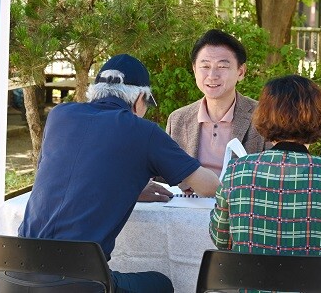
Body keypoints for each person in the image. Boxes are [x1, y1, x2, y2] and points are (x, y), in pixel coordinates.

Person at [17, 54, 220, 293]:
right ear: (139, 99)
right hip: (76, 282)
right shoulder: (143, 131)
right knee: (161, 284)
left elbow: (67, 174)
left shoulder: (59, 115)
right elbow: (210, 186)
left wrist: (128, 187)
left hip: (13, 274)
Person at [210, 74, 321, 261]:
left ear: (263, 115)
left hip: (251, 286)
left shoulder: (237, 170)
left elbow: (221, 239)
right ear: (320, 115)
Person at [166, 29, 269, 180]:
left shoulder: (264, 116)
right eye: (205, 67)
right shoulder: (177, 119)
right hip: (188, 202)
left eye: (222, 66)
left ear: (241, 72)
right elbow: (165, 177)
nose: (212, 76)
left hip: (240, 202)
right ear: (194, 70)